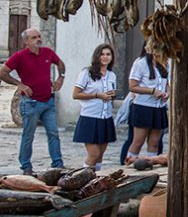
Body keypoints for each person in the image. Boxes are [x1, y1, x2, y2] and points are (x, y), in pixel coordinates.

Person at [0, 29, 65, 174]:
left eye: (39, 36)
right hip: (30, 103)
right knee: (28, 135)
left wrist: (61, 77)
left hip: (48, 102)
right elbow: (3, 72)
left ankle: (58, 164)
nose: (38, 39)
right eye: (34, 37)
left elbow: (60, 63)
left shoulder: (47, 52)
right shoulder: (19, 56)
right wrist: (19, 84)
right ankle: (26, 166)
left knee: (53, 133)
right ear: (26, 41)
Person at [72, 44, 117, 170]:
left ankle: (95, 179)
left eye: (108, 54)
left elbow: (110, 94)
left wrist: (111, 95)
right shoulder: (87, 73)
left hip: (105, 117)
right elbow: (76, 94)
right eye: (102, 54)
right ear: (97, 56)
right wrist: (97, 95)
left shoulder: (112, 75)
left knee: (100, 156)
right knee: (94, 154)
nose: (105, 57)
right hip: (90, 117)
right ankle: (81, 178)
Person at [125, 47, 169, 163]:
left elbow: (167, 84)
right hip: (143, 107)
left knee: (154, 142)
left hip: (159, 107)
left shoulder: (165, 63)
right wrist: (152, 91)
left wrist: (167, 93)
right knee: (138, 141)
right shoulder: (141, 63)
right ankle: (127, 166)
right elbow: (132, 86)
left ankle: (151, 165)